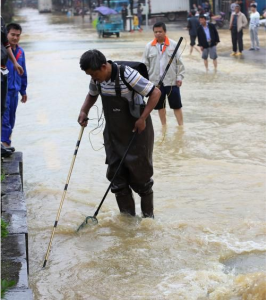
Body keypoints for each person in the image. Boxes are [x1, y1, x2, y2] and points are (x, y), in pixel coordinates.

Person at [78, 49, 161, 218]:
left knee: (142, 180)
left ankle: (148, 220)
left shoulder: (127, 75)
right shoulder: (97, 79)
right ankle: (127, 224)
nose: (93, 79)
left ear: (103, 66)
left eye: (94, 74)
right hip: (113, 134)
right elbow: (92, 94)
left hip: (137, 131)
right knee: (117, 179)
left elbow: (155, 93)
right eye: (89, 75)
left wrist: (143, 118)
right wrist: (83, 111)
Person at [142, 22, 185, 126]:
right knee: (160, 107)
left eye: (160, 31)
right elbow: (144, 65)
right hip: (156, 83)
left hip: (172, 82)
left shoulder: (173, 44)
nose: (158, 34)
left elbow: (180, 63)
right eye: (156, 32)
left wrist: (179, 77)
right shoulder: (149, 47)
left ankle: (181, 127)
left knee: (176, 106)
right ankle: (164, 127)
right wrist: (145, 81)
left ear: (165, 32)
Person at [2, 23, 27, 149]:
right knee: (4, 119)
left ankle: (7, 143)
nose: (15, 38)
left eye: (18, 35)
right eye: (12, 35)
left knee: (11, 119)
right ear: (6, 34)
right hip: (3, 91)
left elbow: (24, 73)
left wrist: (23, 91)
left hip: (15, 92)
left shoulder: (20, 52)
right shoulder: (2, 51)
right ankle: (5, 145)